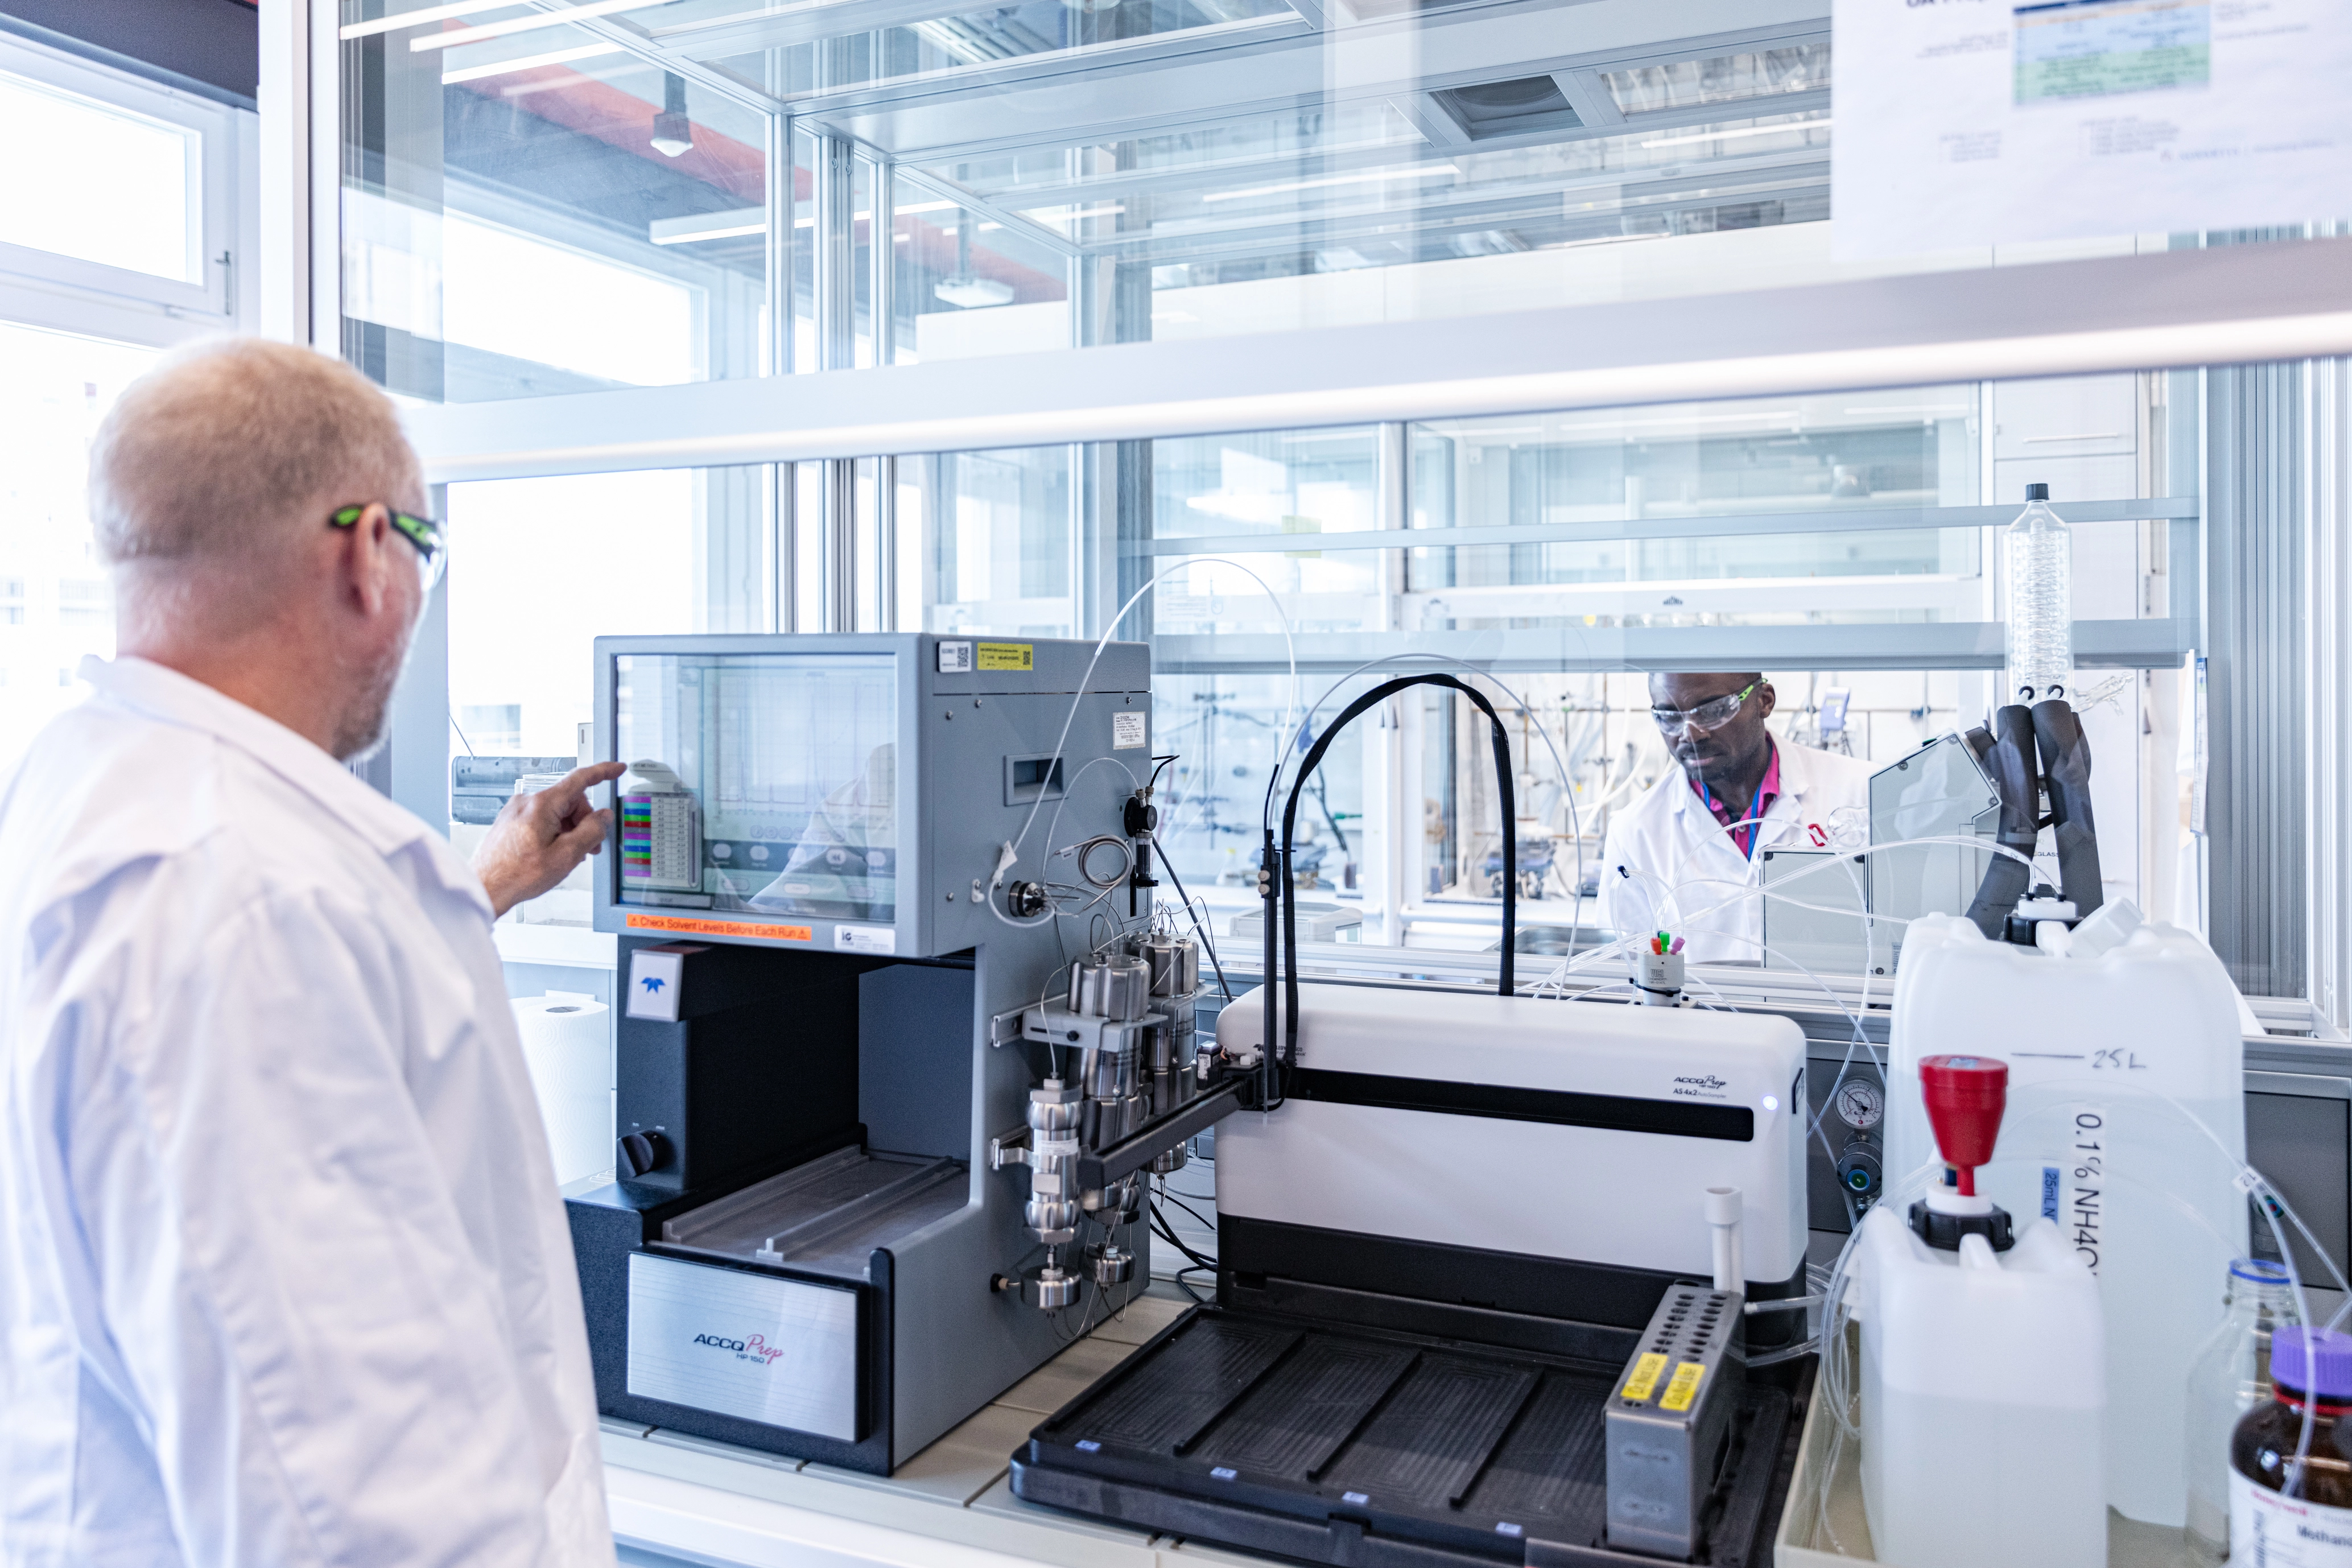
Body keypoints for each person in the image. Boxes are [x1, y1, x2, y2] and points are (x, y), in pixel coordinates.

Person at [0, 339, 625, 1565]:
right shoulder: (235, 907)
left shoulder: (89, 788)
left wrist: (476, 885)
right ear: (365, 554)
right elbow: (354, 1507)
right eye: (424, 551)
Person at [1596, 671, 1873, 965]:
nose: (1690, 734)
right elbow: (1625, 969)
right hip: (1700, 1010)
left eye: (1713, 711)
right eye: (1670, 717)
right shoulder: (1634, 829)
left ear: (1764, 701)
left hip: (1837, 1006)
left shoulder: (1862, 790)